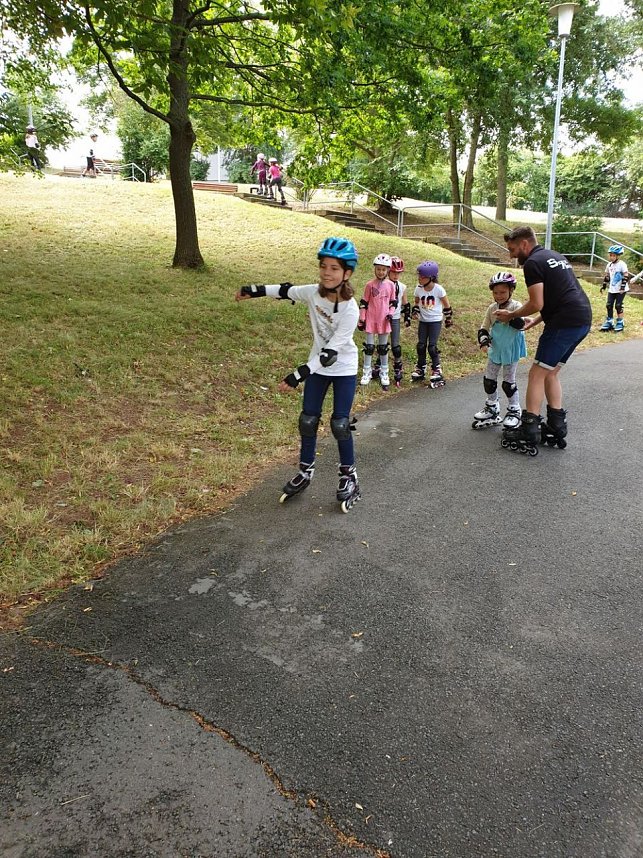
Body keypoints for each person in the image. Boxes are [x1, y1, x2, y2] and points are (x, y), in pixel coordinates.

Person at [235, 237, 362, 512]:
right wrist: (253, 290)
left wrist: (297, 375)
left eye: (334, 268)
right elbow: (285, 290)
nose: (327, 272)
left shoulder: (351, 309)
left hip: (342, 369)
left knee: (340, 424)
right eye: (323, 266)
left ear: (347, 273)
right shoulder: (313, 293)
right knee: (307, 420)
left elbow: (330, 353)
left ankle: (349, 475)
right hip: (317, 366)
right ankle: (306, 471)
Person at [496, 225, 592, 454]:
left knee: (536, 373)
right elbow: (556, 296)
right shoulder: (554, 256)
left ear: (524, 244)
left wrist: (511, 315)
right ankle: (557, 426)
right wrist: (536, 321)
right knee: (551, 372)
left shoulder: (532, 264)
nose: (511, 255)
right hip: (582, 319)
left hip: (564, 322)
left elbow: (537, 302)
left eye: (512, 249)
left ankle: (530, 427)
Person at [472, 272, 529, 430]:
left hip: (510, 350)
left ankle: (514, 410)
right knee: (489, 380)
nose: (499, 296)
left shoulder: (516, 306)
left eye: (503, 292)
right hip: (495, 348)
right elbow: (484, 327)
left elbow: (521, 324)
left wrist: (509, 316)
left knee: (508, 383)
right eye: (495, 292)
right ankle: (492, 407)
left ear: (511, 290)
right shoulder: (492, 308)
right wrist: (484, 341)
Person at [410, 260, 453, 387]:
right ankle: (420, 367)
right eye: (419, 276)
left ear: (431, 278)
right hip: (423, 321)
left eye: (422, 276)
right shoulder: (418, 289)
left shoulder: (439, 290)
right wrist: (414, 312)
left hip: (435, 322)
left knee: (432, 347)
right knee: (421, 345)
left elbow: (447, 306)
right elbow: (417, 303)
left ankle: (437, 369)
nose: (419, 278)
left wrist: (448, 319)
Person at [358, 253, 397, 389]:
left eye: (383, 269)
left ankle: (384, 372)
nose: (381, 272)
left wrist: (391, 314)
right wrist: (362, 318)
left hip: (384, 319)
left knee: (383, 347)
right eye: (378, 269)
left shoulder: (391, 285)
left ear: (387, 271)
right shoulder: (369, 285)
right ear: (375, 269)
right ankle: (366, 371)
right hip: (371, 318)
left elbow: (393, 303)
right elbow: (364, 303)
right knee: (369, 347)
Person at [600, 244, 630, 333]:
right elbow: (607, 276)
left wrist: (622, 287)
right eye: (611, 255)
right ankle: (609, 321)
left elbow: (626, 275)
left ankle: (620, 322)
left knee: (618, 305)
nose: (611, 257)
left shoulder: (622, 264)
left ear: (618, 256)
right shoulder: (609, 265)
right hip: (612, 289)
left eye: (613, 255)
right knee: (609, 305)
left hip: (621, 290)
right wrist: (604, 285)